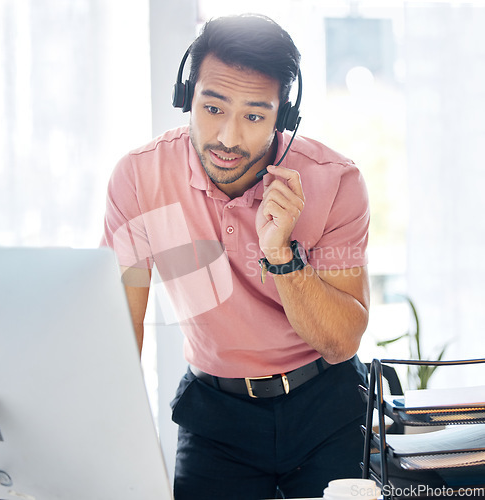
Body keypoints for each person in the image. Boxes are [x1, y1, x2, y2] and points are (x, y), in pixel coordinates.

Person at [101, 13, 370, 500]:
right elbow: (121, 333)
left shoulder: (335, 181)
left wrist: (281, 253)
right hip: (215, 417)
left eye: (254, 116)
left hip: (327, 407)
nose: (227, 137)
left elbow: (341, 342)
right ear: (187, 97)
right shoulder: (138, 179)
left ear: (283, 118)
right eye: (212, 108)